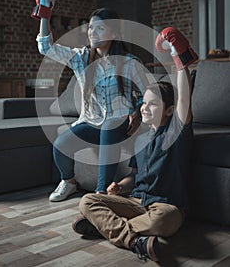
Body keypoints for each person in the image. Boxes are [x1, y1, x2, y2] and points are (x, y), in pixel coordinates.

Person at [72, 27, 198, 262]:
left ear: (169, 111)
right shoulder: (140, 139)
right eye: (144, 104)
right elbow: (135, 176)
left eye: (153, 105)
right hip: (136, 202)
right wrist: (120, 186)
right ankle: (134, 240)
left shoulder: (176, 133)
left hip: (166, 207)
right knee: (88, 200)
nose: (144, 108)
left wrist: (181, 62)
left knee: (162, 222)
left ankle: (105, 227)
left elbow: (183, 100)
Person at [31, 0, 148, 202]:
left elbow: (148, 95)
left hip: (118, 123)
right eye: (90, 27)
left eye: (99, 28)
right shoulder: (81, 58)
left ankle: (101, 194)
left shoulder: (130, 62)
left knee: (111, 123)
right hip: (91, 121)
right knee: (61, 144)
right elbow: (45, 47)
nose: (92, 32)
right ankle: (70, 181)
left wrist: (135, 111)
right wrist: (45, 11)